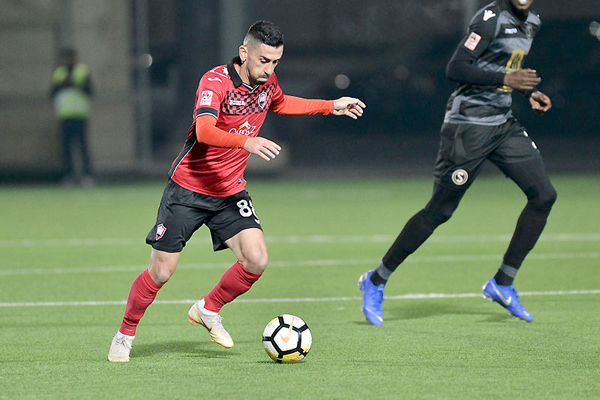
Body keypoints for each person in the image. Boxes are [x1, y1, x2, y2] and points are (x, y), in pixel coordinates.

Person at [108, 20, 365, 362]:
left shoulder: (267, 82)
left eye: (275, 62)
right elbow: (204, 131)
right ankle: (125, 334)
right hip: (188, 189)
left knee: (256, 259)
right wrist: (247, 142)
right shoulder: (215, 82)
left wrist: (331, 106)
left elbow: (282, 103)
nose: (269, 69)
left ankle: (208, 308)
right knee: (161, 272)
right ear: (244, 52)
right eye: (264, 60)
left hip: (229, 192)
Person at [359, 0, 555, 325]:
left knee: (544, 196)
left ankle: (503, 282)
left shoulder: (532, 22)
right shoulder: (490, 18)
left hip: (503, 125)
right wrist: (509, 78)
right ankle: (376, 280)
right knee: (439, 211)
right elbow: (457, 67)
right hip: (468, 127)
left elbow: (505, 68)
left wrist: (527, 92)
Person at [50, 48, 94, 187]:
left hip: (80, 115)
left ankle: (87, 176)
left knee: (82, 146)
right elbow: (52, 93)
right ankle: (69, 176)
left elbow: (90, 91)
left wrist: (76, 85)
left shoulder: (82, 71)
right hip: (65, 115)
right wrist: (63, 85)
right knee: (66, 148)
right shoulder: (59, 74)